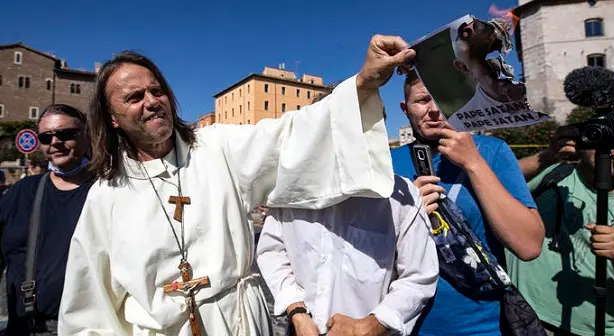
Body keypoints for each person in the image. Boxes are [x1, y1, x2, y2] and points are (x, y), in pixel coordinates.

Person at [58, 34, 416, 335]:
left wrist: (362, 83)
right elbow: (89, 307)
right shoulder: (106, 197)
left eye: (157, 91)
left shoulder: (216, 147)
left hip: (241, 322)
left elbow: (291, 136)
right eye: (135, 98)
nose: (152, 102)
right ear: (113, 119)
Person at [390, 72, 544, 336]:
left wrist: (473, 163)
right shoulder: (387, 162)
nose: (434, 110)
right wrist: (406, 217)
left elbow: (529, 245)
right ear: (405, 109)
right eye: (423, 100)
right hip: (405, 325)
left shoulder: (492, 151)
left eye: (443, 99)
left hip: (483, 326)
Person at [256, 167, 438, 335]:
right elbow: (273, 251)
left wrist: (370, 325)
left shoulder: (399, 197)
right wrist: (297, 311)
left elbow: (419, 276)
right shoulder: (289, 191)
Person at [508, 135, 614, 335]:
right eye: (600, 140)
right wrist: (547, 156)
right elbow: (496, 179)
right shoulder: (556, 173)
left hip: (596, 329)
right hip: (526, 317)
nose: (609, 151)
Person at [0, 104, 94, 335]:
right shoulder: (22, 192)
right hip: (25, 329)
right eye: (46, 137)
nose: (55, 142)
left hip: (88, 329)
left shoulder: (106, 191)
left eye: (66, 134)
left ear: (87, 135)